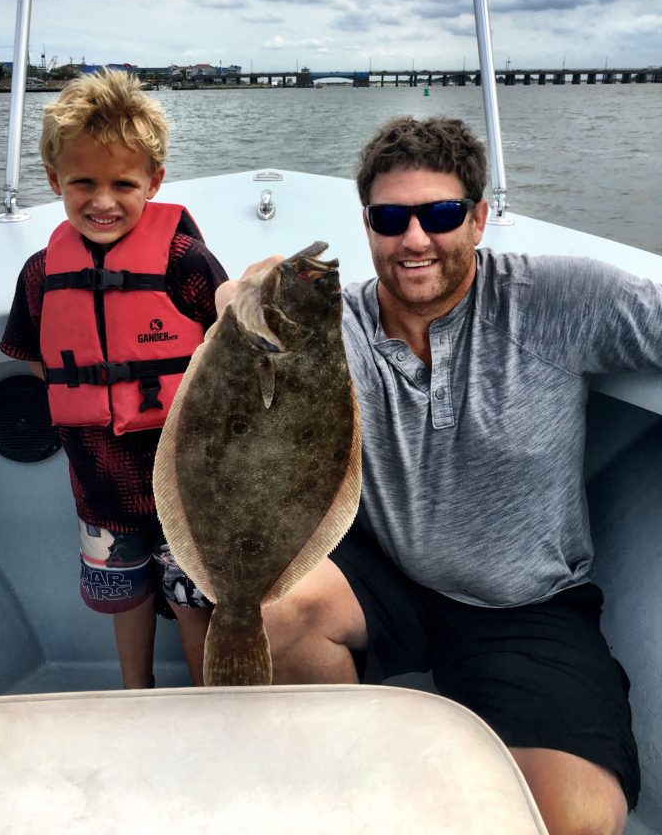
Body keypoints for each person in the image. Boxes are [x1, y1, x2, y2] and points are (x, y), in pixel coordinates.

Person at [219, 116, 662, 835]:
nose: (415, 239)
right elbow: (253, 296)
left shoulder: (553, 300)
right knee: (269, 609)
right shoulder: (340, 325)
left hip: (526, 606)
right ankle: (346, 787)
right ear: (367, 226)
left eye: (442, 214)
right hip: (389, 579)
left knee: (576, 820)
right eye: (392, 219)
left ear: (479, 219)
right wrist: (240, 296)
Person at [0, 69, 220, 688]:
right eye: (82, 183)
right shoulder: (42, 273)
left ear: (154, 183)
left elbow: (227, 343)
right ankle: (137, 695)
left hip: (188, 482)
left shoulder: (184, 260)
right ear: (53, 181)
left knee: (195, 601)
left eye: (123, 184)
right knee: (125, 601)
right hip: (100, 482)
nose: (103, 201)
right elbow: (39, 355)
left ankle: (211, 706)